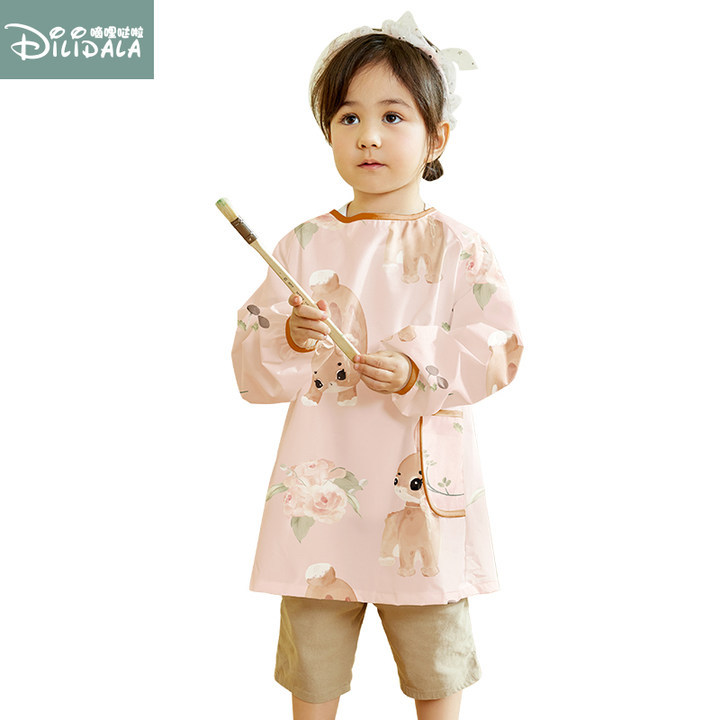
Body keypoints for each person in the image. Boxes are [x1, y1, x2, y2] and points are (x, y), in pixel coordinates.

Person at [231, 12, 524, 720]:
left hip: (417, 493)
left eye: (393, 116)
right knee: (314, 661)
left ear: (436, 137)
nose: (368, 135)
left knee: (435, 659)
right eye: (348, 117)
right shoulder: (302, 245)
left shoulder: (460, 248)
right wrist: (291, 337)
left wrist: (419, 368)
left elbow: (499, 347)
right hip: (321, 487)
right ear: (328, 132)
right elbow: (251, 366)